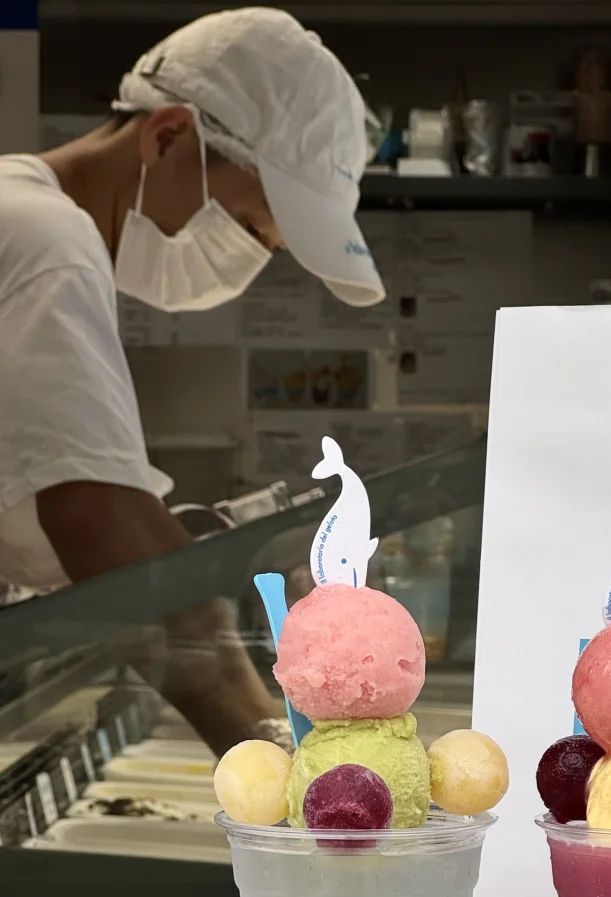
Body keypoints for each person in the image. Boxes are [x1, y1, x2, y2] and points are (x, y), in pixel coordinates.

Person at [0, 7, 385, 755]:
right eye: (248, 222)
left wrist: (202, 545)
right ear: (167, 136)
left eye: (268, 245)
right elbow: (97, 521)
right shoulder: (48, 239)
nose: (250, 257)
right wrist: (285, 764)